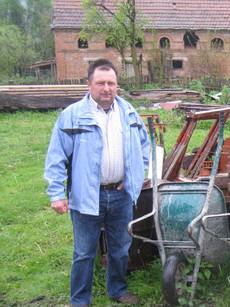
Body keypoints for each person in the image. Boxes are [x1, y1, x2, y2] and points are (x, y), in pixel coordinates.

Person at [44, 59, 149, 307]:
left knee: (121, 249)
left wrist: (134, 174)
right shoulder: (72, 116)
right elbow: (56, 157)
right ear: (89, 84)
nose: (106, 88)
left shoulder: (129, 112)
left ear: (117, 85)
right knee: (84, 253)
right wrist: (57, 194)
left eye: (111, 83)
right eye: (101, 83)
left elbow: (145, 147)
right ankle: (80, 300)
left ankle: (117, 289)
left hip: (121, 195)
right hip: (86, 196)